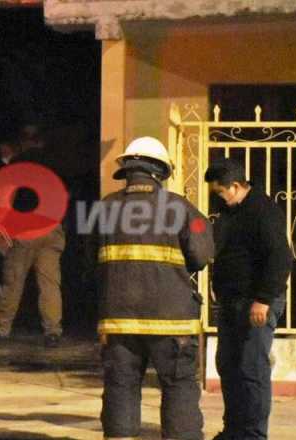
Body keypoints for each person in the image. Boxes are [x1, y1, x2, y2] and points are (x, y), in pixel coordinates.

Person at [95, 137, 213, 440]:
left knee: (121, 385)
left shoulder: (104, 208)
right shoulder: (181, 208)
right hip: (172, 320)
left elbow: (89, 261)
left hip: (118, 318)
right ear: (160, 172)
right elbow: (202, 253)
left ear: (127, 170)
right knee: (179, 386)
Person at [205, 159, 291, 440]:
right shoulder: (230, 210)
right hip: (232, 301)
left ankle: (253, 435)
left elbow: (280, 257)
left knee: (251, 368)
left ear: (236, 186)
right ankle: (234, 431)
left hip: (256, 302)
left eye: (220, 192)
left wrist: (263, 300)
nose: (217, 198)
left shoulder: (263, 211)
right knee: (229, 366)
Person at [0, 130, 66, 347]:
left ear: (23, 143)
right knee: (50, 282)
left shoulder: (18, 163)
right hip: (52, 227)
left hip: (25, 227)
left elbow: (7, 196)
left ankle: (1, 327)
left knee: (13, 279)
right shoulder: (56, 162)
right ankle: (52, 331)